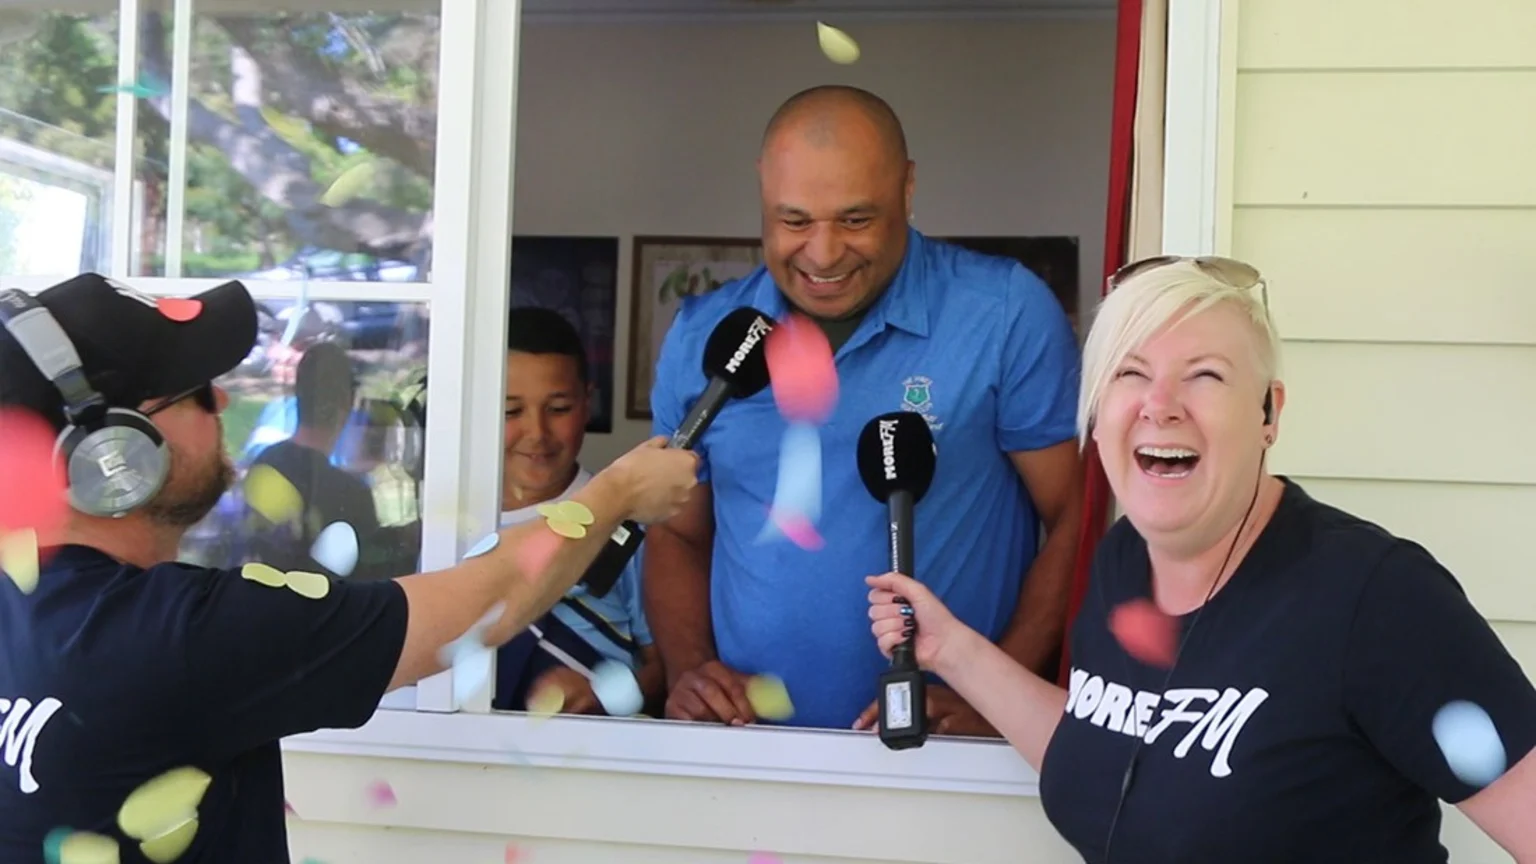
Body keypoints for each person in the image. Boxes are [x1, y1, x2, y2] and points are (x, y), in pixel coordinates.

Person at [0, 274, 698, 863]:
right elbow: (486, 600)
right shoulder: (182, 636)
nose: (225, 401)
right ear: (112, 453)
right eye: (197, 392)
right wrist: (617, 495)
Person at [864, 256, 1536, 862]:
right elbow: (1107, 745)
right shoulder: (1123, 564)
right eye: (1131, 373)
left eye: (1205, 375)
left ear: (1268, 413)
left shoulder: (1377, 599)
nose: (1160, 406)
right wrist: (953, 650)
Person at [645, 84, 1084, 733]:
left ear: (907, 190)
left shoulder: (1005, 313)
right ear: (763, 191)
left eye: (855, 220)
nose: (823, 254)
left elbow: (1079, 515)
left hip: (942, 750)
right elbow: (677, 532)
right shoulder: (701, 337)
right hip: (748, 748)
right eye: (795, 221)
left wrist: (1001, 697)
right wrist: (690, 670)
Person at [491, 307, 663, 716]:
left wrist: (607, 694)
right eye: (511, 411)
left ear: (587, 402)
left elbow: (667, 668)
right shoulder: (456, 528)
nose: (537, 433)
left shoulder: (625, 524)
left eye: (559, 408)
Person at [243, 340, 400, 581]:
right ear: (347, 402)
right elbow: (371, 582)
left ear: (297, 395)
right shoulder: (350, 495)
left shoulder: (263, 464)